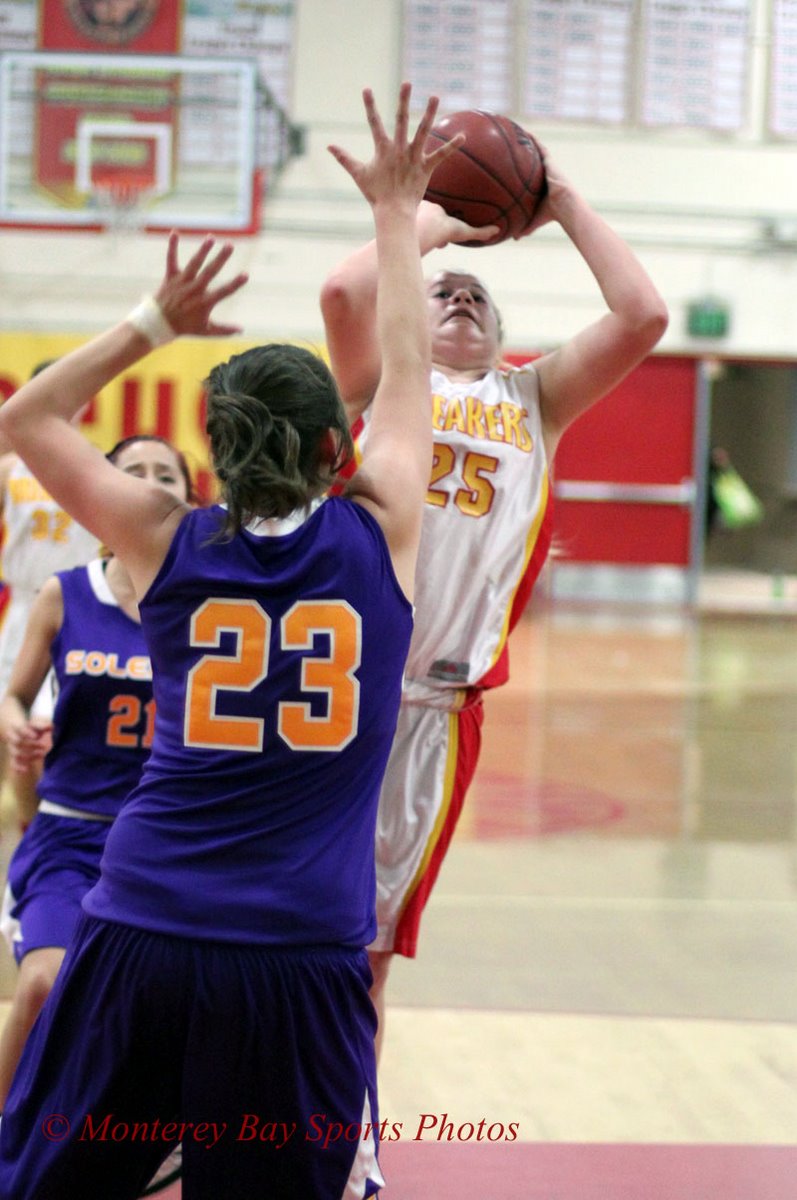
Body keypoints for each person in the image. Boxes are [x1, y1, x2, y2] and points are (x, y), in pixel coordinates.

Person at [0, 83, 464, 1200]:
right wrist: (395, 215)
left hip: (143, 926)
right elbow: (408, 367)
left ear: (212, 451)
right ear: (334, 450)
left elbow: (26, 420)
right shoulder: (383, 529)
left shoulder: (164, 539)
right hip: (298, 951)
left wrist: (154, 321)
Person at [321, 141, 670, 1056]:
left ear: (500, 328)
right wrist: (437, 222)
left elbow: (642, 316)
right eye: (441, 291)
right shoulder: (377, 380)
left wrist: (561, 203)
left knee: (365, 959)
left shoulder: (533, 398)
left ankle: (344, 1126)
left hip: (434, 708)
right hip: (330, 695)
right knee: (284, 936)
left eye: (477, 294)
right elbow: (346, 292)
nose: (460, 297)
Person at [0, 435, 192, 1105]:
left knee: (174, 1005)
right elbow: (15, 695)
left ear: (188, 499)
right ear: (99, 493)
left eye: (164, 473)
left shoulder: (208, 604)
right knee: (43, 984)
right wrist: (15, 726)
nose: (148, 482)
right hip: (71, 834)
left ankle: (149, 1134)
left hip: (169, 846)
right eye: (132, 471)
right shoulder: (65, 593)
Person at [0, 365, 100, 828]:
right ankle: (25, 832)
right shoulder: (10, 468)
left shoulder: (100, 464)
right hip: (24, 605)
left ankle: (38, 830)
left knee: (45, 732)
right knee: (11, 728)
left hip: (73, 608)